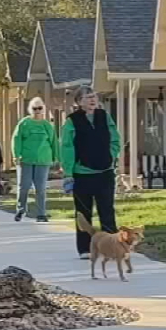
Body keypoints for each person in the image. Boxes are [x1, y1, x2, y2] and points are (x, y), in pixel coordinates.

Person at [60, 86, 121, 259]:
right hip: (82, 173)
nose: (92, 100)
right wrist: (68, 173)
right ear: (79, 102)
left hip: (105, 172)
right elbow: (67, 147)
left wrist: (112, 154)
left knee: (107, 211)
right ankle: (85, 248)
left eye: (93, 96)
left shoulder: (104, 116)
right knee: (83, 213)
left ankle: (112, 247)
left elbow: (115, 138)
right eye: (87, 97)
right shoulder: (72, 121)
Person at [12, 96, 57, 222]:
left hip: (43, 160)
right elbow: (16, 139)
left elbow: (53, 142)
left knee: (41, 188)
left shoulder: (47, 125)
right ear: (30, 109)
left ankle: (41, 214)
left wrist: (55, 157)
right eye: (34, 108)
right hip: (26, 159)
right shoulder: (24, 123)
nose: (37, 110)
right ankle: (21, 210)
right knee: (24, 186)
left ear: (43, 109)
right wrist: (16, 155)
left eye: (39, 108)